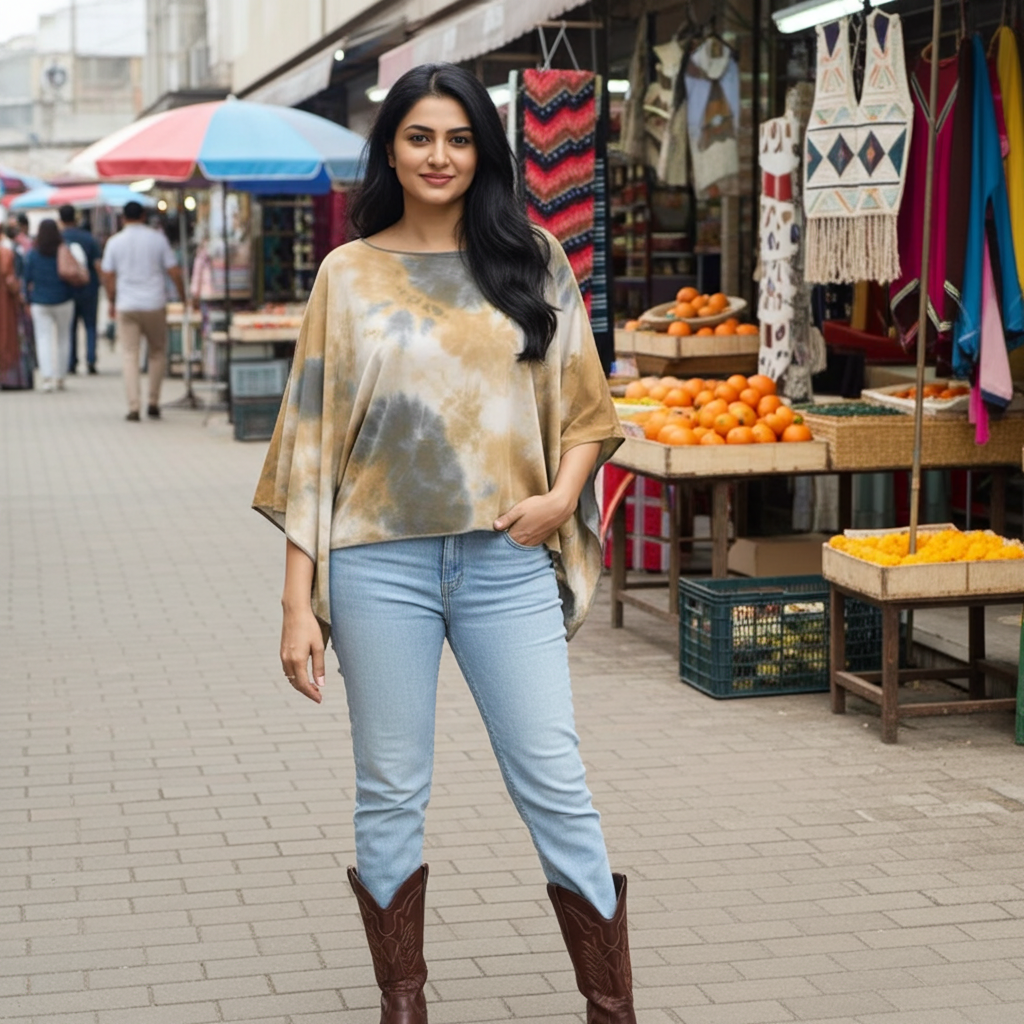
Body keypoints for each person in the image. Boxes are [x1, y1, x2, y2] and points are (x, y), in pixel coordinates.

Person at [253, 63, 635, 1024]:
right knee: (390, 788)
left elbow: (589, 409)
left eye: (459, 138)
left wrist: (561, 499)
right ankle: (404, 1003)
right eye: (421, 136)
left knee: (554, 778)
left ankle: (612, 1005)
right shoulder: (348, 274)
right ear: (392, 146)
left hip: (506, 560)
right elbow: (309, 447)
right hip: (380, 565)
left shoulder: (532, 259)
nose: (440, 155)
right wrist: (297, 606)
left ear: (484, 151)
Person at [100, 200, 185, 421]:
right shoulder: (157, 239)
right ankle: (154, 401)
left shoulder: (114, 242)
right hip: (154, 303)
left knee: (129, 355)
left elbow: (108, 275)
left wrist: (111, 298)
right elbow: (174, 271)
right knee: (157, 352)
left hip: (126, 304)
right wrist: (183, 297)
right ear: (143, 216)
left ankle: (133, 406)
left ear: (123, 218)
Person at [22, 219, 74, 392]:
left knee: (43, 339)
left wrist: (27, 301)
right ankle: (61, 378)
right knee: (63, 338)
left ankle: (46, 378)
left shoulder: (33, 254)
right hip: (64, 299)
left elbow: (26, 279)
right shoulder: (64, 249)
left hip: (40, 301)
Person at [59, 205, 103, 375]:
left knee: (71, 327)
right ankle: (91, 359)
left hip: (67, 289)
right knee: (91, 325)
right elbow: (98, 264)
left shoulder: (59, 239)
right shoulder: (89, 238)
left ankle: (71, 362)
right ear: (75, 218)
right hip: (89, 288)